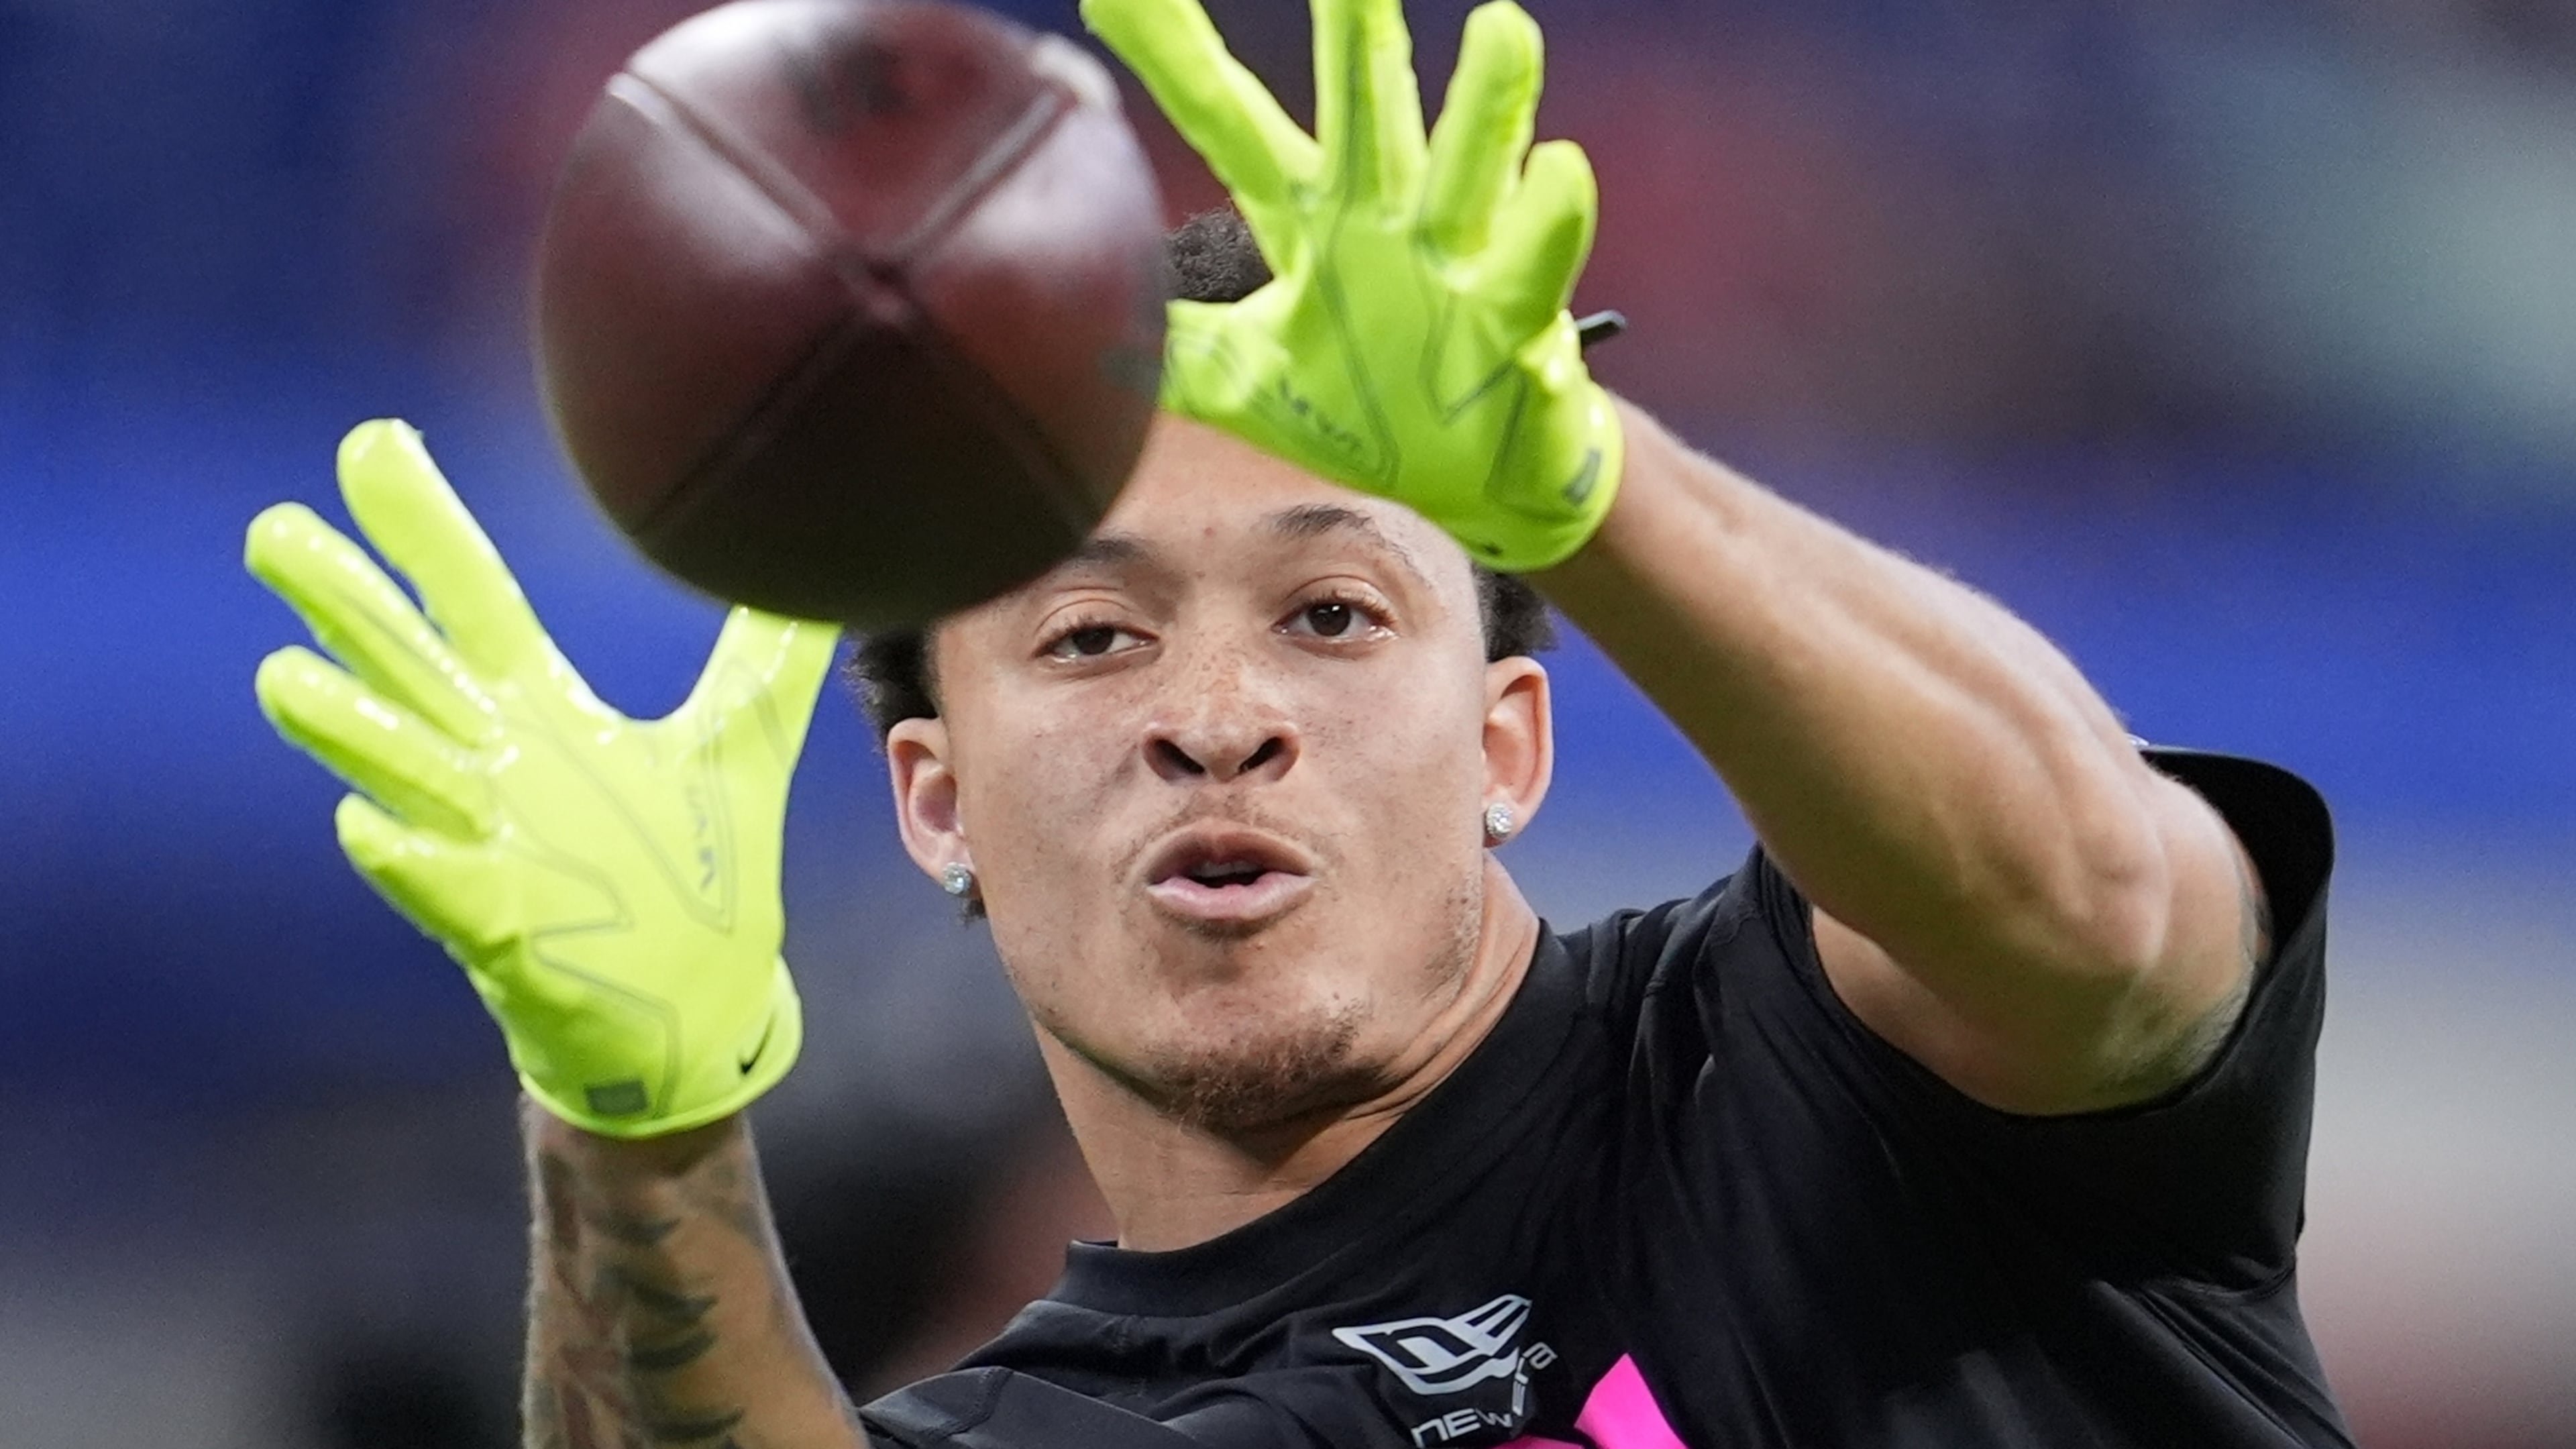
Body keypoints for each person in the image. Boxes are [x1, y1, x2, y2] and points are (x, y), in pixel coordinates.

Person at [244, 0, 2352, 1444]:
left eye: (1336, 612)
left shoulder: (1810, 1078)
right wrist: (631, 1121)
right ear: (932, 798)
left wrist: (1593, 484)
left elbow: (2095, 903)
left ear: (1512, 744)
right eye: (1089, 642)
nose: (1219, 717)